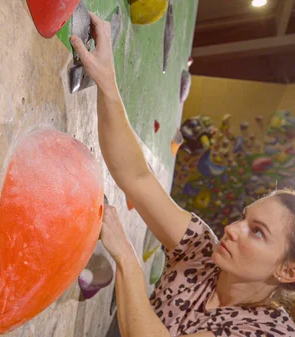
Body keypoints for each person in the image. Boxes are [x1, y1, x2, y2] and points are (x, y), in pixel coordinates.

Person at [70, 13, 295, 337]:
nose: (232, 229)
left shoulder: (270, 332)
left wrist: (127, 258)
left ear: (288, 270)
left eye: (257, 232)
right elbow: (138, 177)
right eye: (244, 219)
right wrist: (108, 83)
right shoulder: (203, 250)